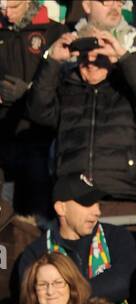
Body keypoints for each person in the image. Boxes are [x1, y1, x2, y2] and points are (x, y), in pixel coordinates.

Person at [26, 20, 136, 216]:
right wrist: (52, 61)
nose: (91, 63)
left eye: (99, 56)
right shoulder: (67, 88)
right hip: (74, 196)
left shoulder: (127, 86)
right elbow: (38, 111)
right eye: (84, 57)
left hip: (122, 194)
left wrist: (124, 57)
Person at [13, 175, 136, 304]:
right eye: (87, 203)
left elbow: (124, 282)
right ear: (61, 208)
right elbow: (31, 299)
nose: (97, 211)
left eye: (98, 203)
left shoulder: (116, 238)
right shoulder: (36, 252)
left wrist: (67, 293)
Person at [0, 0, 65, 215]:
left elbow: (63, 87)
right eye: (2, 8)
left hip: (40, 139)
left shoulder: (54, 31)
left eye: (14, 7)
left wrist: (27, 93)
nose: (7, 14)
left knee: (35, 217)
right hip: (4, 137)